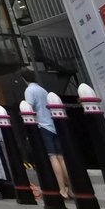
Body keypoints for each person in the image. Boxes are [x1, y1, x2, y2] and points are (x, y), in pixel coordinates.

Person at [23, 67, 70, 198]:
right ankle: (69, 187)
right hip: (53, 125)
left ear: (23, 79)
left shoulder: (29, 90)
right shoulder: (43, 90)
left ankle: (61, 189)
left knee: (52, 157)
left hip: (43, 126)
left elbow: (28, 109)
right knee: (61, 157)